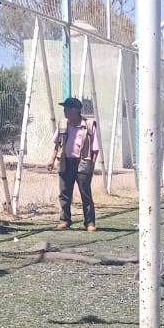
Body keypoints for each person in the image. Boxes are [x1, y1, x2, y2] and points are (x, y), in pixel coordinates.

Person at [48, 96, 100, 230]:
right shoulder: (62, 124)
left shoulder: (88, 126)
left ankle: (89, 222)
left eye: (67, 108)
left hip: (83, 162)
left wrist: (92, 166)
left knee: (85, 193)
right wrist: (52, 160)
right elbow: (57, 144)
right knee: (64, 192)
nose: (65, 111)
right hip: (66, 161)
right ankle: (65, 220)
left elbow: (95, 149)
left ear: (75, 110)